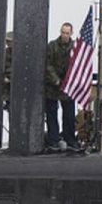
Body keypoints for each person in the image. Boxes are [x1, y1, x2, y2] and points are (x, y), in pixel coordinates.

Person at [43, 21, 79, 149]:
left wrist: (68, 81)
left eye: (67, 33)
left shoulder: (75, 47)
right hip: (53, 86)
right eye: (63, 32)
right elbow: (48, 65)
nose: (64, 35)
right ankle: (54, 139)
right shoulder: (52, 46)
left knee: (69, 115)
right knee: (52, 114)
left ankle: (69, 138)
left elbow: (77, 66)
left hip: (68, 87)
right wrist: (57, 81)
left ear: (71, 33)